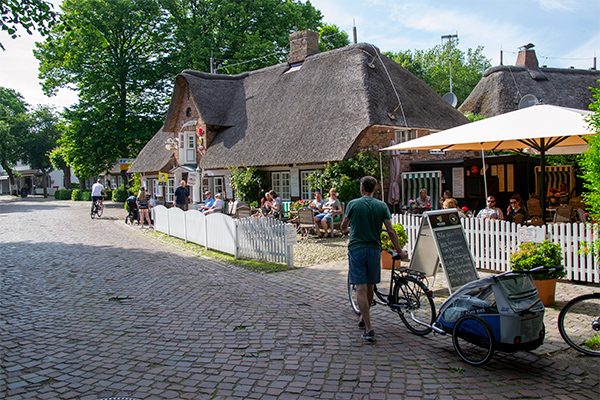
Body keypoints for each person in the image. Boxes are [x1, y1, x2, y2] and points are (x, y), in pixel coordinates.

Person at [341, 176, 403, 342]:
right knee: (370, 286)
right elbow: (390, 230)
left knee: (360, 287)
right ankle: (363, 319)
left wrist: (348, 228)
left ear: (362, 188)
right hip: (374, 250)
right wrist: (399, 250)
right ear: (375, 189)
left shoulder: (353, 204)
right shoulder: (381, 205)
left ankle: (369, 327)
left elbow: (343, 226)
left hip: (357, 249)